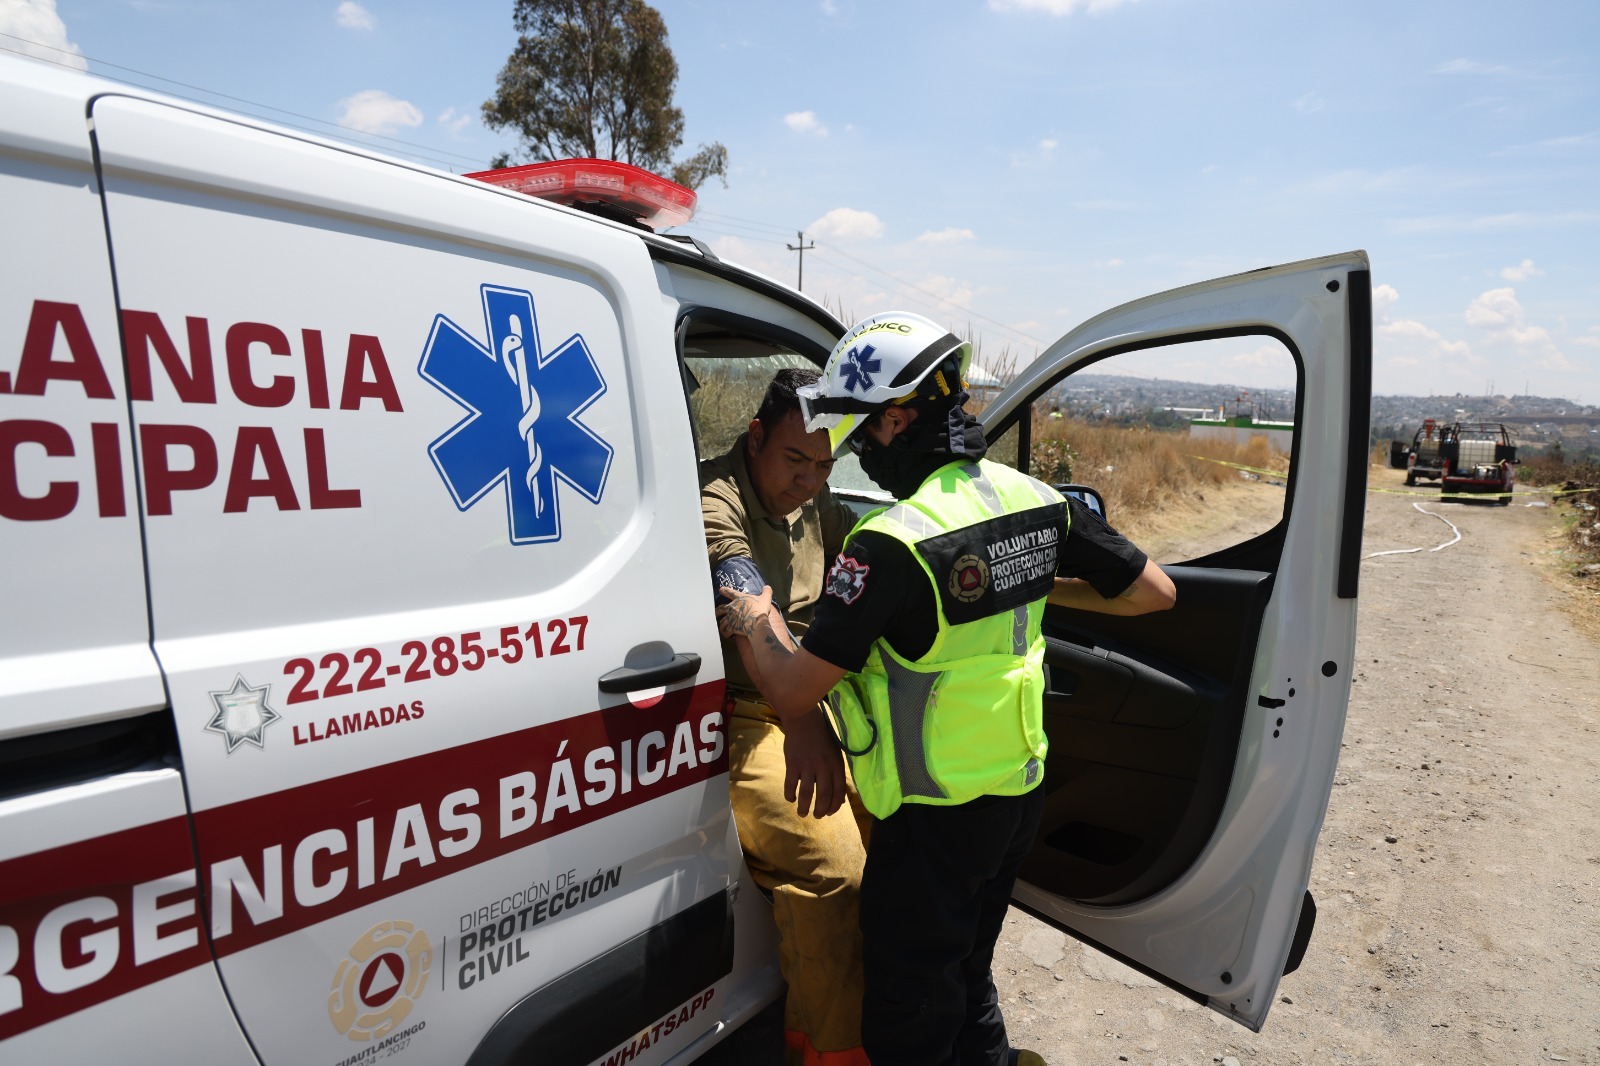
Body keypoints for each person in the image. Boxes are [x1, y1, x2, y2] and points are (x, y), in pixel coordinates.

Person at [716, 314, 1177, 1066]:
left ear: (897, 419)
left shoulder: (895, 541)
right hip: (1015, 797)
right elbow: (1152, 593)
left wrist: (758, 611)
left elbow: (796, 690)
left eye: (859, 433)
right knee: (968, 979)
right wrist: (1016, 585)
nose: (852, 451)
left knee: (908, 1021)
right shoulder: (1033, 498)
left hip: (933, 820)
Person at [699, 367, 872, 1066]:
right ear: (756, 436)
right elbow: (752, 616)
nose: (809, 481)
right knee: (837, 870)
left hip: (811, 694)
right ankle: (831, 1051)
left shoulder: (814, 502)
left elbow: (861, 547)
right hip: (753, 706)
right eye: (795, 459)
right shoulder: (719, 501)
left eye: (826, 466)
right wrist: (800, 716)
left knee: (911, 833)